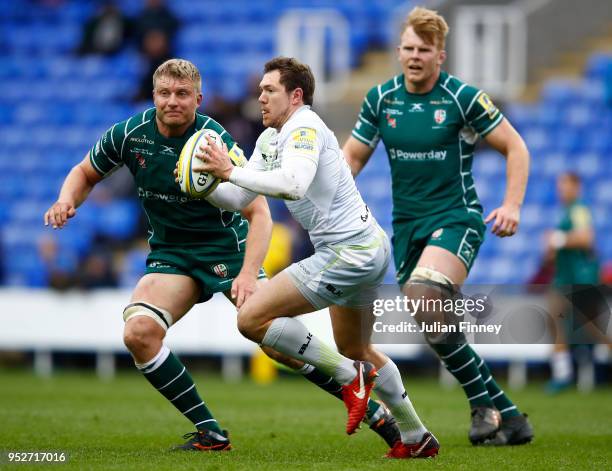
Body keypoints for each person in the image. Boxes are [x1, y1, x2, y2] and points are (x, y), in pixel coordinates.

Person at [44, 58, 399, 452]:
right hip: (172, 255)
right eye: (164, 93)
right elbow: (85, 172)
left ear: (199, 98)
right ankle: (210, 432)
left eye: (182, 94)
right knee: (139, 333)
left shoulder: (213, 140)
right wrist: (65, 200)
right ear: (153, 96)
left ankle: (371, 409)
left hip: (227, 251)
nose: (172, 102)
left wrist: (248, 274)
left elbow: (258, 212)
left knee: (273, 340)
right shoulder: (131, 133)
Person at [195, 56, 439, 459]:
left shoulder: (304, 125)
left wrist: (228, 170)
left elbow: (293, 185)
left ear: (296, 95)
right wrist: (201, 183)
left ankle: (350, 379)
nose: (260, 97)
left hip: (349, 252)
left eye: (269, 90)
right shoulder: (271, 138)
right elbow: (238, 197)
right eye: (259, 90)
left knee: (251, 317)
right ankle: (416, 437)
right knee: (357, 347)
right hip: (365, 248)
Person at [342, 7, 533, 446]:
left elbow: (516, 146)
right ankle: (507, 414)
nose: (414, 56)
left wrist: (513, 205)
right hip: (407, 227)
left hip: (456, 218)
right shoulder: (381, 99)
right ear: (398, 51)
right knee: (433, 320)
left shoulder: (462, 98)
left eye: (423, 50)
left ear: (440, 56)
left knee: (425, 295)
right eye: (408, 48)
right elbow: (351, 157)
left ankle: (480, 407)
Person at [545, 172, 608, 393]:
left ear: (576, 186)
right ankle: (562, 373)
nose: (561, 190)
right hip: (564, 278)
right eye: (559, 185)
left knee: (593, 329)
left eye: (565, 185)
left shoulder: (579, 209)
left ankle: (563, 374)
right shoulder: (566, 211)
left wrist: (558, 239)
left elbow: (586, 238)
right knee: (554, 319)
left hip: (581, 278)